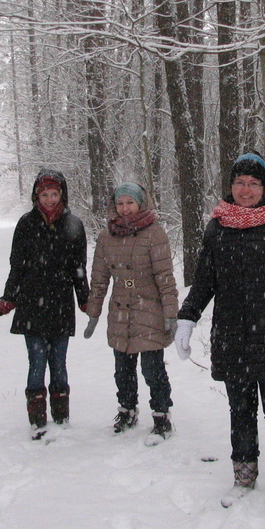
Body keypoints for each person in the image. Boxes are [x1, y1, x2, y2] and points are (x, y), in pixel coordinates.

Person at [175, 151, 265, 506]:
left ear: (264, 187)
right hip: (232, 336)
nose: (246, 189)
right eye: (240, 183)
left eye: (253, 183)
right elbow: (205, 280)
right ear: (230, 187)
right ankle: (244, 475)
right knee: (240, 410)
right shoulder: (217, 227)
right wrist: (187, 316)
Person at [0, 169, 89, 440]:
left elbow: (79, 268)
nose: (49, 199)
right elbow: (17, 266)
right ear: (36, 195)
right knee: (36, 362)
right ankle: (37, 420)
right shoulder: (26, 224)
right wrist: (9, 298)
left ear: (62, 194)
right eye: (44, 194)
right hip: (31, 304)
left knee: (59, 362)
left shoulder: (74, 225)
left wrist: (84, 299)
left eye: (54, 194)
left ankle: (61, 417)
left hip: (61, 304)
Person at [84, 182, 178, 442]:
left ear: (140, 203)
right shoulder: (106, 236)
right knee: (122, 369)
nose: (125, 209)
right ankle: (126, 410)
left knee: (152, 369)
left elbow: (165, 277)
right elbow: (99, 278)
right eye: (120, 203)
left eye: (130, 203)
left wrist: (171, 312)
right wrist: (94, 312)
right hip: (120, 312)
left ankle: (161, 415)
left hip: (149, 310)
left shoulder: (155, 233)